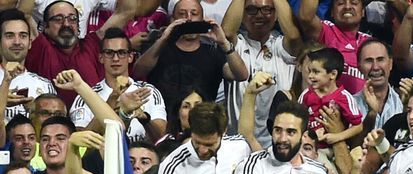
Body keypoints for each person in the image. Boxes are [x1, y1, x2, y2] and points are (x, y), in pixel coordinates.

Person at [133, 0, 248, 114]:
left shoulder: (213, 52)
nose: (188, 18)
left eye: (194, 13)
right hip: (161, 119)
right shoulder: (158, 49)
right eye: (182, 14)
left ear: (202, 20)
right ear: (173, 20)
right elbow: (138, 72)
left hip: (201, 120)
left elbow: (241, 75)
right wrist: (163, 39)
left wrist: (224, 43)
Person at [24, 0, 139, 108]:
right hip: (52, 119)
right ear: (45, 27)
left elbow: (126, 11)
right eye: (58, 19)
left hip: (95, 118)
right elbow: (25, 14)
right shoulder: (39, 47)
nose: (66, 24)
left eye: (72, 19)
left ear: (78, 26)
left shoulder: (92, 45)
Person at [221, 0, 302, 148]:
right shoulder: (238, 44)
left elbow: (293, 35)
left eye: (267, 10)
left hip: (279, 142)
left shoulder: (281, 45)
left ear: (276, 15)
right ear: (242, 15)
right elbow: (226, 32)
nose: (259, 15)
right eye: (251, 10)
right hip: (238, 142)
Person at [70, 27, 167, 143]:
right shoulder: (86, 96)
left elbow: (162, 139)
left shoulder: (149, 92)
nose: (115, 59)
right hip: (103, 154)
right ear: (101, 58)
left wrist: (144, 118)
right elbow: (81, 144)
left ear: (130, 57)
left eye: (121, 53)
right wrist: (112, 101)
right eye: (109, 53)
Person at [298, 0, 372, 94]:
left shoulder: (370, 43)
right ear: (332, 12)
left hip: (364, 102)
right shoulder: (326, 32)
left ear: (363, 12)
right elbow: (306, 17)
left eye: (354, 3)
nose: (347, 7)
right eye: (341, 3)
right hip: (329, 101)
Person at [298, 48, 362, 147]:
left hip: (333, 149)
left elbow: (358, 126)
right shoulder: (306, 94)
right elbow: (296, 118)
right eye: (310, 71)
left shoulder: (345, 97)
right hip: (307, 146)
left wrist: (337, 137)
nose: (310, 76)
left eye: (316, 72)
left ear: (333, 74)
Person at [0, 8, 56, 122]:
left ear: (30, 43)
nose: (17, 42)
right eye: (9, 36)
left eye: (23, 36)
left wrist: (35, 110)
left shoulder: (44, 85)